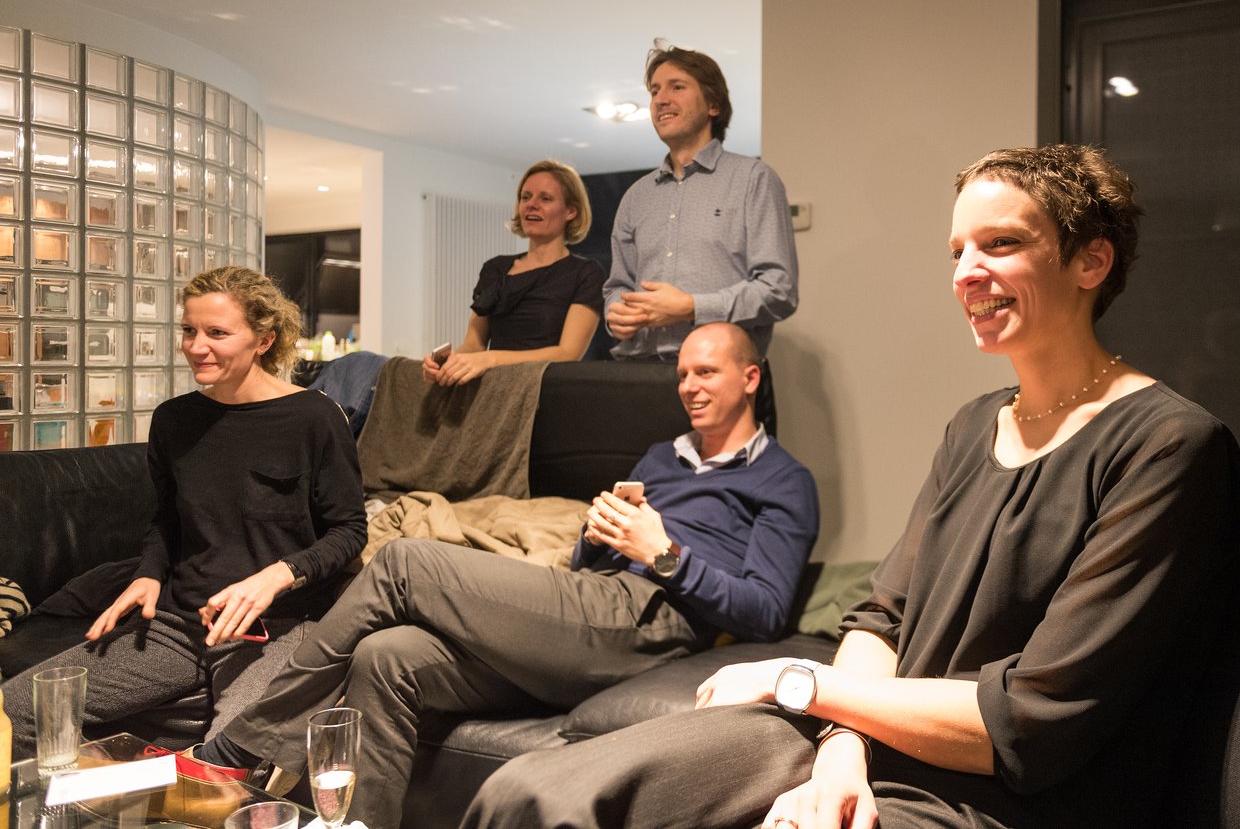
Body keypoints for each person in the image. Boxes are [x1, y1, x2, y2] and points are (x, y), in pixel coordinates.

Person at [460, 144, 1240, 829]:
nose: (967, 274)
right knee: (533, 794)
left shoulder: (1169, 445)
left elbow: (1030, 723)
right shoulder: (974, 425)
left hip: (1004, 796)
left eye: (1000, 244)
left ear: (1091, 260)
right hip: (873, 739)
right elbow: (885, 617)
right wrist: (841, 749)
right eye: (956, 251)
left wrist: (801, 681)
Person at [195, 321, 821, 828]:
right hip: (594, 606)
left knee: (403, 560)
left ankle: (242, 746)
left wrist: (663, 552)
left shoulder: (784, 480)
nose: (689, 386)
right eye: (682, 373)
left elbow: (766, 610)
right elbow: (585, 570)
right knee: (386, 658)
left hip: (652, 619)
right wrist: (601, 532)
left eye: (705, 372)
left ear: (750, 377)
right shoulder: (662, 457)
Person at [5, 266, 366, 758]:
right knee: (14, 713)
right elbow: (168, 520)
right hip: (177, 624)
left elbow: (349, 531)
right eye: (189, 330)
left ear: (264, 339)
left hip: (274, 626)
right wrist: (149, 573)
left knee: (230, 759)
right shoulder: (174, 419)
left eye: (217, 333)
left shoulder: (315, 417)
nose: (197, 346)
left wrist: (278, 575)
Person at [604, 42, 799, 364]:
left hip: (721, 373)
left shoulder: (753, 179)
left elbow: (779, 290)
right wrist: (616, 313)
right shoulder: (636, 196)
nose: (660, 100)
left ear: (713, 105)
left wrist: (692, 307)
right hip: (638, 374)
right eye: (654, 91)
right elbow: (617, 287)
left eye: (677, 87)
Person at [423, 159, 605, 387]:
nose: (532, 204)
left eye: (545, 198)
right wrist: (451, 363)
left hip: (550, 394)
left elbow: (567, 353)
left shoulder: (585, 274)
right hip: (496, 392)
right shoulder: (495, 268)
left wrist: (491, 359)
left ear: (571, 211)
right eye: (525, 197)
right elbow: (474, 344)